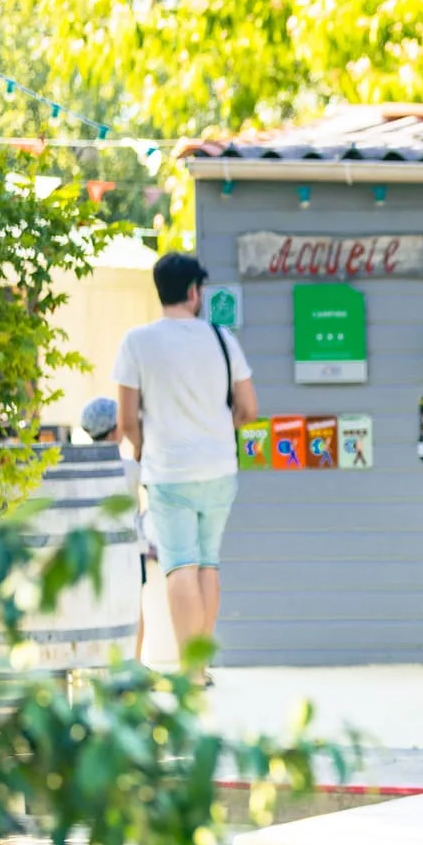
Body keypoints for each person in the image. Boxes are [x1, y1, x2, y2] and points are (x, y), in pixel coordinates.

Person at [112, 253, 258, 679]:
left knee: (180, 564)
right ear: (194, 292)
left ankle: (189, 670)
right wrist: (217, 426)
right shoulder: (221, 339)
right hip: (218, 468)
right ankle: (202, 664)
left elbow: (125, 421)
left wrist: (144, 445)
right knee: (208, 563)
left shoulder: (136, 342)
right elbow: (249, 407)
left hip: (168, 471)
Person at [80, 395, 157, 662]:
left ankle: (101, 661)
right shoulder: (131, 468)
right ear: (116, 431)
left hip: (94, 548)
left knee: (100, 604)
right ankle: (134, 662)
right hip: (129, 549)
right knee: (135, 607)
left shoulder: (83, 469)